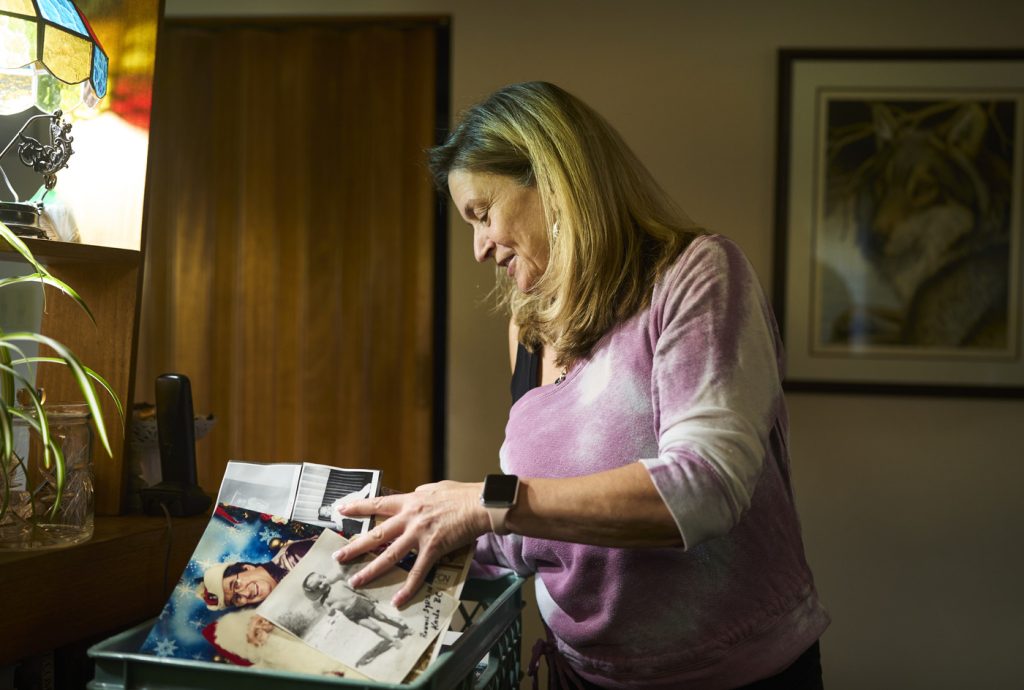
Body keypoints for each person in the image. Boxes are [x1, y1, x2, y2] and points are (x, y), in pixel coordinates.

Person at [333, 81, 830, 689]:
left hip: (732, 678)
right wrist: (409, 527)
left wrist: (482, 502)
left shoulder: (697, 275)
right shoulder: (527, 332)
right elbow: (533, 529)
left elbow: (704, 487)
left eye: (482, 214)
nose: (479, 248)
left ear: (553, 174)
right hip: (581, 676)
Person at [302, 571, 413, 666]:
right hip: (352, 615)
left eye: (321, 582)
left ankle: (402, 627)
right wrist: (331, 611)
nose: (321, 586)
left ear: (324, 577)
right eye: (317, 588)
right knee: (374, 627)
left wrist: (370, 597)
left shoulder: (339, 584)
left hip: (361, 603)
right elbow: (329, 613)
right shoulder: (324, 601)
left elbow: (357, 591)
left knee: (382, 617)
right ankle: (393, 640)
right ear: (316, 592)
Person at [197, 537, 315, 610]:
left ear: (247, 568)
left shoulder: (295, 555)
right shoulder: (281, 611)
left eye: (236, 584)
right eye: (236, 598)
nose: (246, 594)